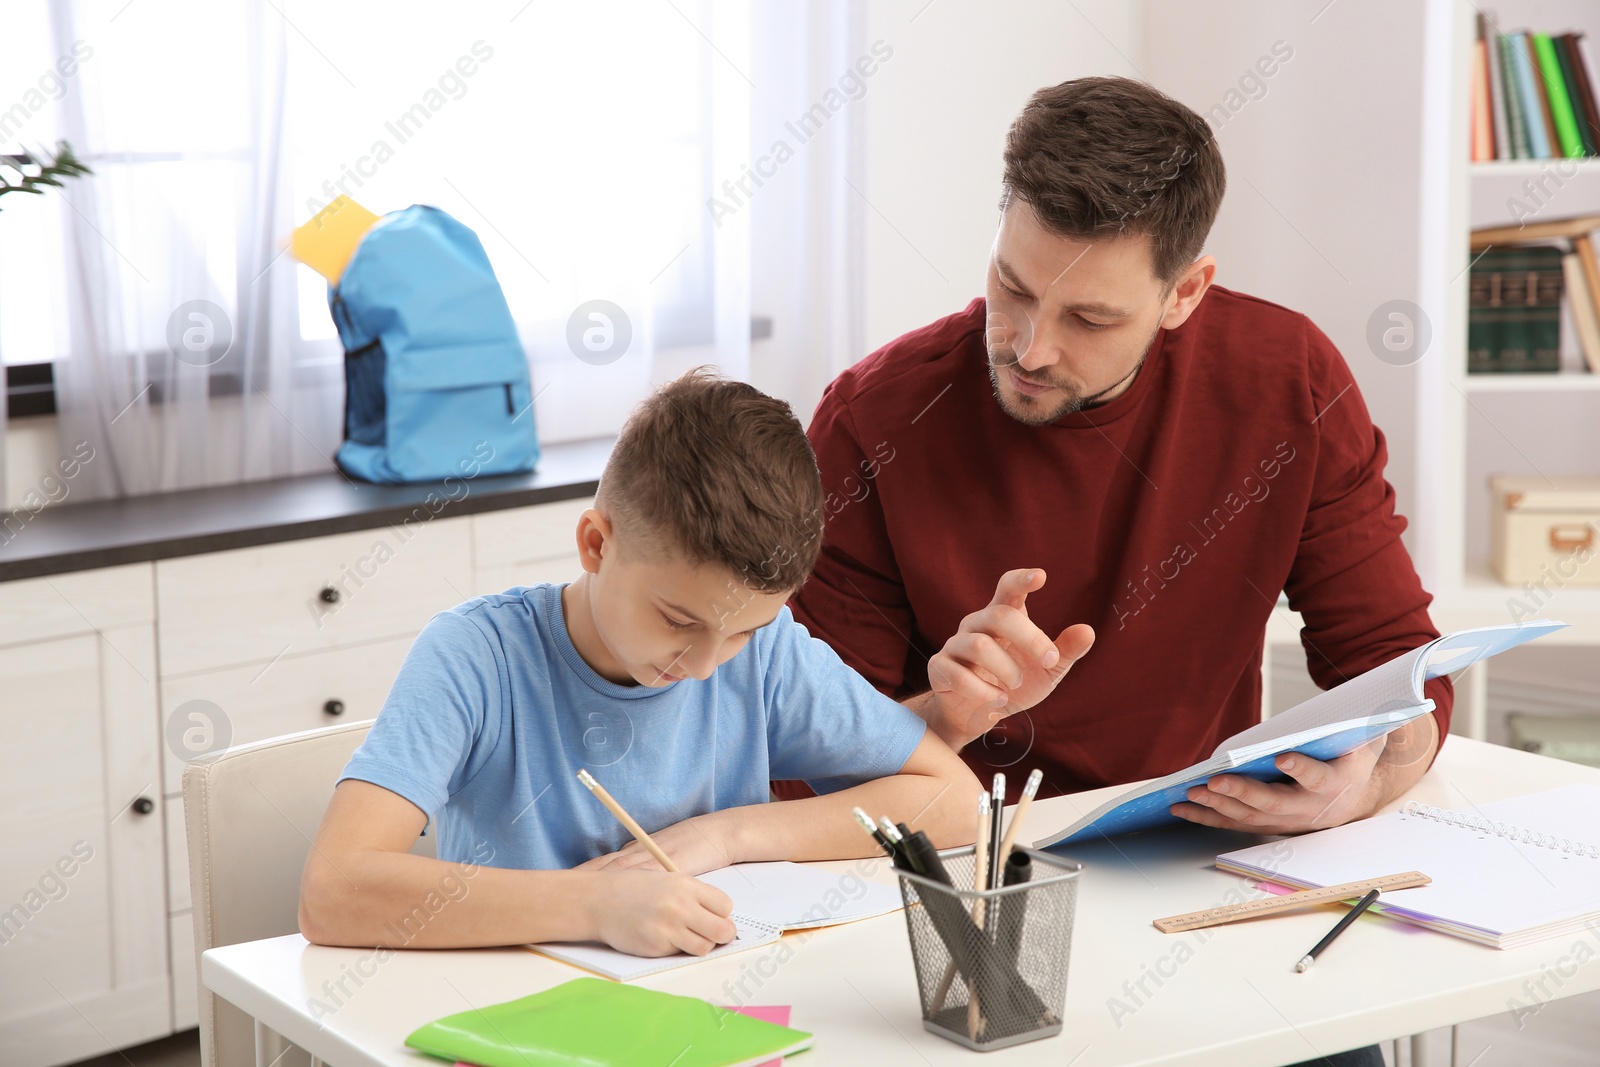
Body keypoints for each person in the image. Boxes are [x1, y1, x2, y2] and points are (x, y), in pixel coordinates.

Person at [785, 77, 1442, 1067]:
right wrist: (948, 715)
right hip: (972, 896)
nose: (1029, 345)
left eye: (1088, 318)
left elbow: (1398, 664)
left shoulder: (1287, 379)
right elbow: (808, 770)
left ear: (1185, 291)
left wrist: (1362, 782)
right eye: (1011, 286)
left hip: (1204, 871)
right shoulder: (875, 418)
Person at [299, 369, 980, 958]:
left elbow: (956, 800)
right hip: (519, 1016)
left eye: (744, 629)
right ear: (596, 543)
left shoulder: (764, 654)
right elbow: (332, 893)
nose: (708, 665)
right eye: (679, 621)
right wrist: (596, 906)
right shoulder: (477, 655)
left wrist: (726, 834)